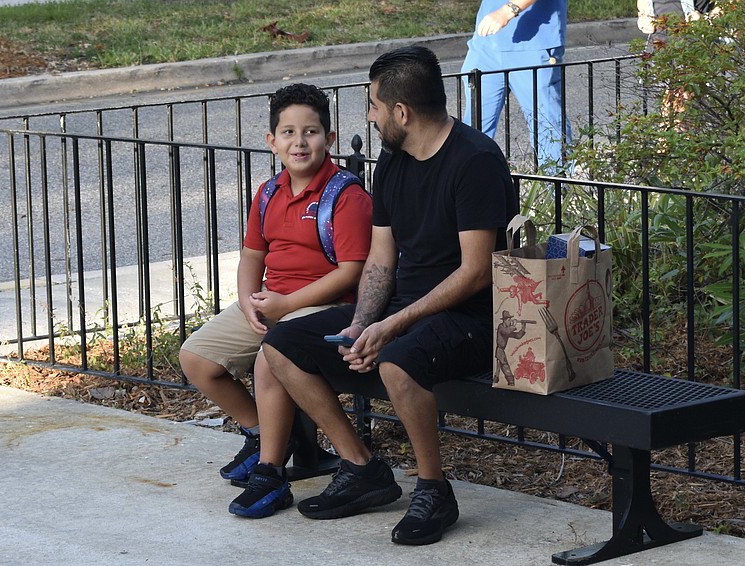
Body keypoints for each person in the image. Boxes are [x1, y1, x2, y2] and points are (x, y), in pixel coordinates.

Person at [228, 46, 518, 546]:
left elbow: (475, 273)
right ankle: (361, 468)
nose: (370, 115)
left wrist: (394, 325)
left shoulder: (475, 162)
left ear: (401, 112)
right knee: (282, 347)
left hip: (473, 315)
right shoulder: (394, 161)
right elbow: (381, 258)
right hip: (402, 308)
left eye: (374, 105)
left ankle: (434, 489)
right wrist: (364, 321)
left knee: (397, 364)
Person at [179, 83, 372, 484]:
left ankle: (271, 469)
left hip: (326, 305)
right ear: (272, 141)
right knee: (196, 357)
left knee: (271, 356)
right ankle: (267, 436)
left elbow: (351, 271)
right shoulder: (269, 193)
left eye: (311, 132)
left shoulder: (346, 197)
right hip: (273, 302)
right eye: (288, 133)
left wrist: (286, 306)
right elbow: (253, 255)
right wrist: (248, 301)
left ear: (329, 138)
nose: (299, 142)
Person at [460, 0, 572, 170]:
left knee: (547, 128)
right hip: (486, 44)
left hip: (535, 44)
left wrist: (508, 10)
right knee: (473, 131)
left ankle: (558, 191)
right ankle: (469, 190)